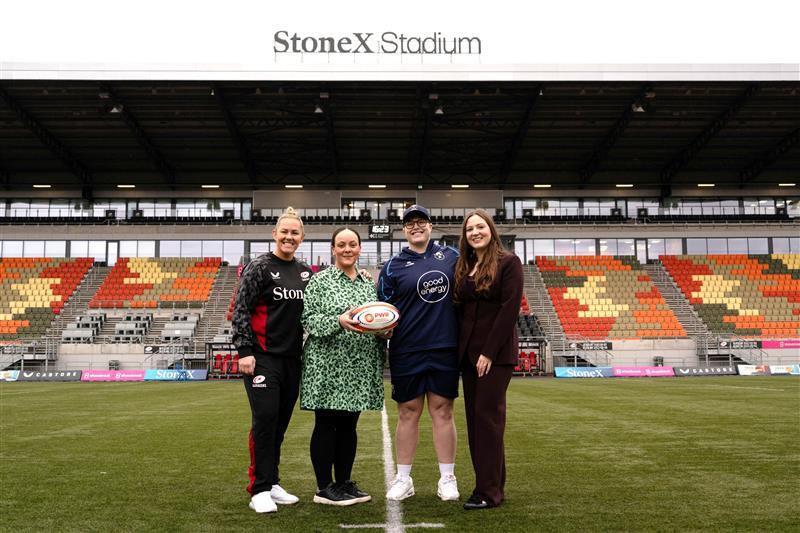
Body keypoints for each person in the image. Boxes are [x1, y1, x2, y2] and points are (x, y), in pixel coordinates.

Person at [231, 206, 312, 514]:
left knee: (279, 424)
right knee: (265, 420)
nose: (289, 237)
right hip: (262, 357)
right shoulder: (260, 267)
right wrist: (244, 351)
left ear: (301, 237)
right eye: (284, 231)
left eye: (295, 233)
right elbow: (241, 309)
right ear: (275, 234)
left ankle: (273, 481)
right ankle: (259, 489)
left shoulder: (305, 272)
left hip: (292, 359)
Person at [377, 204, 460, 502]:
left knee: (443, 411)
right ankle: (403, 479)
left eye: (421, 221)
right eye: (410, 223)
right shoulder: (392, 266)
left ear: (430, 225)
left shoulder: (452, 257)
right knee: (408, 413)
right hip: (407, 349)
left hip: (444, 347)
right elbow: (383, 309)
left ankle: (447, 478)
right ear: (404, 229)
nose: (416, 227)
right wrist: (382, 329)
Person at [300, 227, 387, 506]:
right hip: (327, 364)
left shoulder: (367, 282)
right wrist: (338, 321)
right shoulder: (319, 281)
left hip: (359, 364)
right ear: (333, 249)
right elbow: (308, 319)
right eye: (341, 244)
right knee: (326, 423)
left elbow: (373, 319)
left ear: (360, 248)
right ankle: (324, 487)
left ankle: (344, 483)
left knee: (350, 424)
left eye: (352, 244)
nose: (347, 249)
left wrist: (384, 330)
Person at [453, 209, 523, 510]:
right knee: (478, 422)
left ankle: (487, 492)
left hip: (494, 355)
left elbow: (509, 310)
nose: (475, 232)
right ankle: (494, 486)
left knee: (487, 420)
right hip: (469, 355)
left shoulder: (509, 263)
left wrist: (488, 353)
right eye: (470, 229)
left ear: (491, 231)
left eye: (480, 227)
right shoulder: (464, 266)